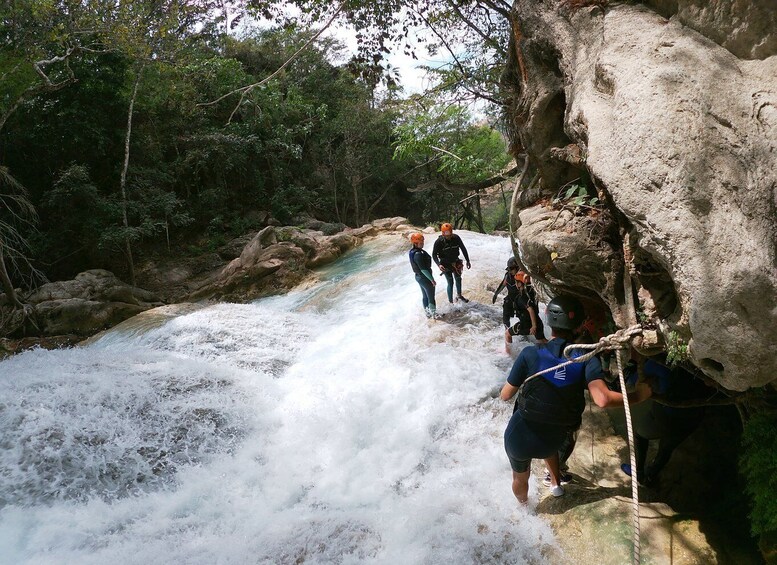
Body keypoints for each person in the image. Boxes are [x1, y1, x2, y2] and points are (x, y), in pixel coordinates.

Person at [500, 295, 650, 503]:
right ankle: (555, 483)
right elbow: (603, 399)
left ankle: (524, 506)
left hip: (520, 438)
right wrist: (641, 395)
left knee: (519, 476)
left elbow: (506, 395)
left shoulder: (530, 354)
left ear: (549, 322)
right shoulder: (586, 359)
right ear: (579, 326)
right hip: (552, 442)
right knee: (551, 425)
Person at [619, 357, 707, 486]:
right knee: (666, 449)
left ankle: (639, 471)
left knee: (640, 435)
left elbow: (633, 380)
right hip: (693, 417)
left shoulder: (658, 363)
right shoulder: (701, 370)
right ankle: (651, 476)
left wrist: (632, 369)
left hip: (667, 414)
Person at [503, 271, 546, 351]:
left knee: (507, 334)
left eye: (516, 282)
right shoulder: (532, 292)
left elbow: (530, 310)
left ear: (519, 284)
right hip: (538, 321)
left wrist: (534, 326)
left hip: (527, 324)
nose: (515, 284)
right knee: (543, 342)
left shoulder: (523, 297)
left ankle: (508, 355)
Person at [432, 223, 471, 304]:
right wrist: (439, 264)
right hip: (445, 264)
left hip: (456, 261)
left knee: (458, 279)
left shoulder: (456, 238)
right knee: (450, 282)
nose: (448, 236)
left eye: (449, 234)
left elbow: (463, 248)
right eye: (446, 235)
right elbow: (434, 255)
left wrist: (468, 260)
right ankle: (450, 302)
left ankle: (459, 295)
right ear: (443, 234)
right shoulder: (439, 242)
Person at [408, 232, 440, 319]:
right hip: (424, 278)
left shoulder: (413, 252)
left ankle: (428, 314)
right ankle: (434, 315)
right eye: (421, 242)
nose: (422, 244)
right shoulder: (418, 254)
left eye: (423, 242)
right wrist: (432, 279)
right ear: (415, 243)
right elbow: (423, 269)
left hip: (419, 277)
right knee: (431, 297)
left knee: (425, 296)